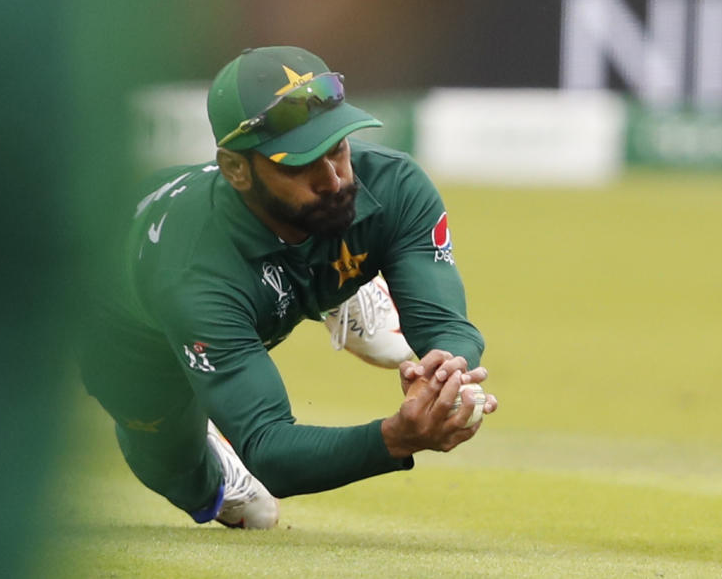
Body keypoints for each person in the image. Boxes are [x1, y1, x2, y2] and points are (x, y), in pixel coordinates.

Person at [79, 46, 496, 529]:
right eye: (299, 164)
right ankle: (331, 284)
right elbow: (270, 450)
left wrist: (450, 369)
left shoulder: (393, 183)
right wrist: (397, 437)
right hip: (125, 328)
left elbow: (446, 324)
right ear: (237, 169)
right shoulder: (193, 273)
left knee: (331, 224)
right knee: (189, 480)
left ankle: (337, 285)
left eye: (337, 147)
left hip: (266, 254)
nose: (335, 179)